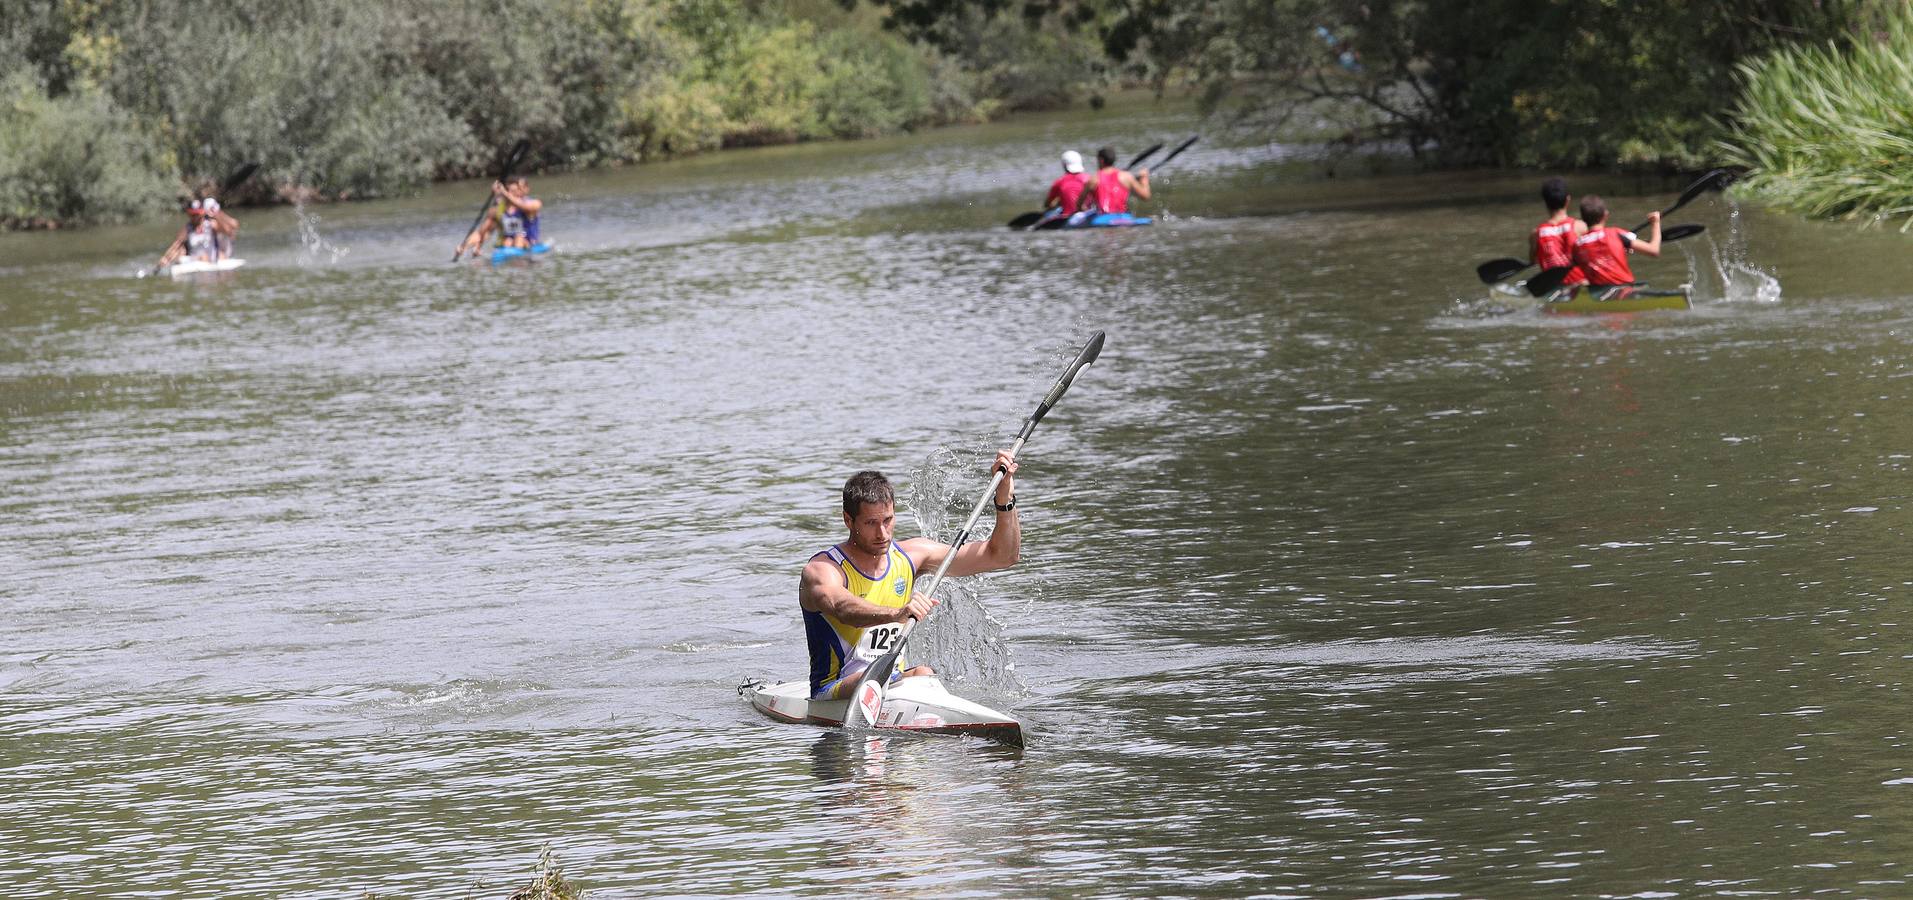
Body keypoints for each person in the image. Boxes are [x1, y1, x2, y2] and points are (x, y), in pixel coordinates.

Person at [798, 452, 1021, 701]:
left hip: (891, 680)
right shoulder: (821, 570)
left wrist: (1005, 498)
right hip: (834, 691)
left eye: (888, 520)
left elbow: (1002, 556)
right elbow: (842, 608)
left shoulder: (912, 555)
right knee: (875, 676)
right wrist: (897, 613)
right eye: (871, 523)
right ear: (848, 520)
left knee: (925, 672)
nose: (882, 533)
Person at [1570, 195, 1661, 289]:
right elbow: (1654, 250)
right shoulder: (1615, 234)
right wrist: (1655, 223)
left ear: (1583, 219)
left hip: (1598, 295)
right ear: (1605, 215)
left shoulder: (1577, 245)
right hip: (1624, 291)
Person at [455, 174, 543, 257]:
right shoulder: (497, 210)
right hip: (506, 245)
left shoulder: (534, 204)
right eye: (509, 191)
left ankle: (518, 264)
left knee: (518, 237)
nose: (512, 195)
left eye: (515, 191)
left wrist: (504, 193)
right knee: (507, 241)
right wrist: (464, 247)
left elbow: (525, 207)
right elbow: (481, 233)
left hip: (528, 244)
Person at [1531, 177, 1585, 289]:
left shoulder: (1535, 234)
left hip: (1552, 288)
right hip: (1581, 285)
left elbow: (1534, 261)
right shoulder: (1580, 227)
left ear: (1545, 202)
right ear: (1568, 200)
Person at [1073, 146, 1151, 219]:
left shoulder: (1093, 179)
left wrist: (1086, 214)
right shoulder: (1126, 177)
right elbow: (1146, 196)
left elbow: (1079, 204)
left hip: (1102, 218)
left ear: (1101, 160)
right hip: (1123, 217)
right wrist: (1144, 178)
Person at [155, 200, 220, 269]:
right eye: (192, 215)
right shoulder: (187, 229)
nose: (195, 217)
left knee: (203, 256)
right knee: (180, 252)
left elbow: (229, 230)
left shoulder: (212, 224)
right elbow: (176, 245)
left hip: (210, 259)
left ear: (203, 213)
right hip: (194, 260)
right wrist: (165, 258)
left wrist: (216, 215)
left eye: (197, 214)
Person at [1043, 150, 1090, 219]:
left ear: (1064, 165)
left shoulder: (1059, 182)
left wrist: (1059, 199)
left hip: (1067, 217)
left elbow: (1048, 204)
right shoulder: (1089, 179)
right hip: (1086, 215)